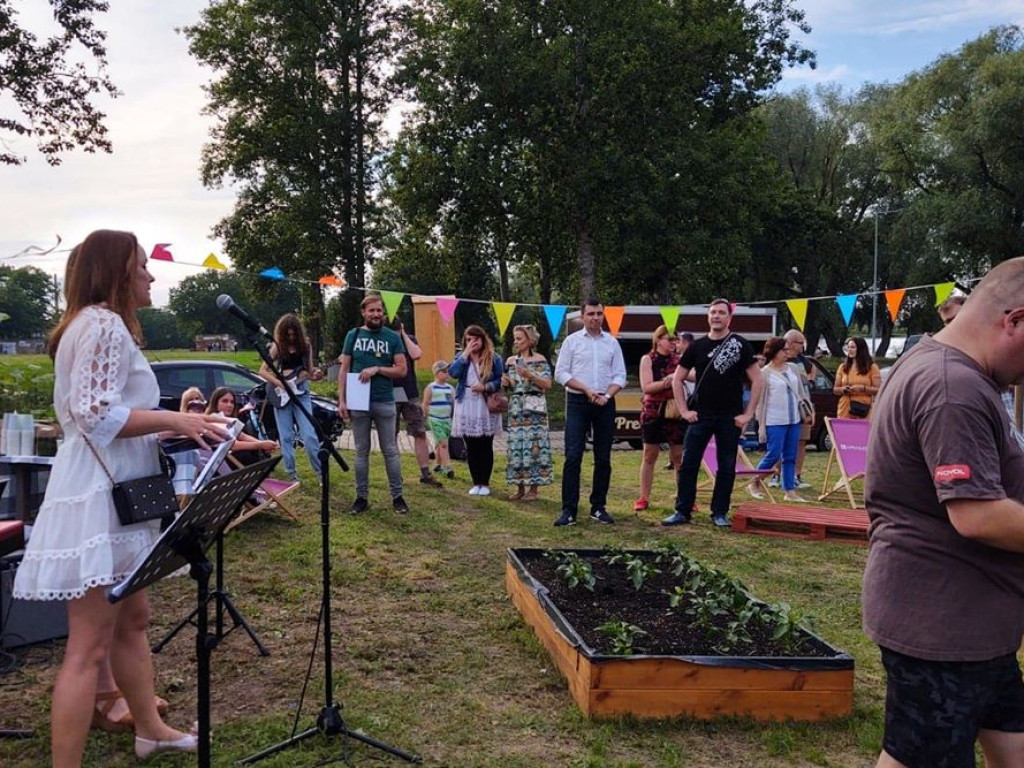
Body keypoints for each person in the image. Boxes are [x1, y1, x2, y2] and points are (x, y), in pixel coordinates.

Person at [12, 230, 231, 766]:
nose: (151, 276)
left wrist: (180, 426)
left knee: (133, 618)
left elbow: (106, 415)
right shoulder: (103, 324)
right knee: (87, 646)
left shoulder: (89, 326)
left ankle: (150, 729)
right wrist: (177, 417)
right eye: (141, 267)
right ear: (115, 273)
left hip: (114, 492)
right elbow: (95, 416)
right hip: (98, 498)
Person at [861, 257, 1024, 768]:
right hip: (944, 627)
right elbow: (976, 515)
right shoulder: (953, 388)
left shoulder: (937, 364)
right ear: (1015, 320)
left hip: (974, 624)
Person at [663, 298, 762, 528]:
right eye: (713, 312)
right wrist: (684, 410)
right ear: (708, 317)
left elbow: (758, 379)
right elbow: (677, 378)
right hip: (700, 415)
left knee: (726, 466)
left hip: (730, 416)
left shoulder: (740, 344)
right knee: (688, 464)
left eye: (721, 312)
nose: (716, 316)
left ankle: (719, 512)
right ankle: (682, 511)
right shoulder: (697, 346)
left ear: (729, 317)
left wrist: (748, 414)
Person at [553, 298, 627, 526]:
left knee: (603, 458)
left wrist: (607, 395)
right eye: (591, 314)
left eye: (599, 314)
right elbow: (561, 373)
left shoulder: (612, 343)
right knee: (573, 456)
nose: (596, 318)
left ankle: (598, 507)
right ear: (582, 317)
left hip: (605, 403)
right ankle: (569, 510)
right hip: (578, 402)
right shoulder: (572, 342)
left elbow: (620, 376)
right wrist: (586, 390)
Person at [338, 294, 409, 514]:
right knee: (361, 451)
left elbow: (402, 369)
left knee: (390, 450)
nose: (376, 314)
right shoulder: (353, 335)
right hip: (359, 401)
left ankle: (397, 497)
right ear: (364, 312)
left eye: (379, 311)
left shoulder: (392, 337)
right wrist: (342, 399)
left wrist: (378, 369)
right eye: (372, 311)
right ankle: (361, 498)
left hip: (385, 400)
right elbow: (344, 368)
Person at [258, 314, 323, 481]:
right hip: (282, 395)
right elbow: (262, 371)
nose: (292, 338)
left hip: (301, 391)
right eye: (288, 334)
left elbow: (309, 370)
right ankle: (291, 474)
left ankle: (320, 473)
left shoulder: (306, 345)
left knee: (309, 434)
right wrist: (280, 384)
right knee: (285, 436)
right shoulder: (277, 346)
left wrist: (316, 374)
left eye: (294, 334)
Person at [750, 337, 810, 503]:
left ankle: (789, 490)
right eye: (783, 350)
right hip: (775, 420)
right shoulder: (765, 373)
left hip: (794, 418)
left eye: (787, 349)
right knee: (773, 454)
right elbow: (760, 401)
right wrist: (760, 424)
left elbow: (801, 391)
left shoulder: (792, 368)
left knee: (790, 456)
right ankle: (754, 481)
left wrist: (807, 409)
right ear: (774, 352)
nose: (787, 352)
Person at [448, 325, 504, 496]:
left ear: (483, 339)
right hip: (466, 402)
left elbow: (501, 379)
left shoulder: (494, 358)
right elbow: (453, 373)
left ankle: (485, 482)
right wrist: (465, 355)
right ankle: (476, 482)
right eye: (469, 339)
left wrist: (486, 386)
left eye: (476, 339)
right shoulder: (461, 357)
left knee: (485, 445)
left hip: (485, 403)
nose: (473, 342)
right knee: (471, 445)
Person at [501, 324, 554, 501]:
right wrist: (506, 383)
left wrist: (530, 375)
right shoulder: (510, 361)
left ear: (530, 340)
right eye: (514, 338)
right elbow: (512, 386)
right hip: (517, 406)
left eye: (519, 338)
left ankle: (534, 489)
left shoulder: (540, 360)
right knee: (517, 445)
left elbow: (547, 384)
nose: (516, 342)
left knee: (534, 446)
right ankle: (520, 487)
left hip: (535, 405)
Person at [389, 316, 443, 488]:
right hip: (389, 393)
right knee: (391, 435)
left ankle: (425, 473)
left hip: (409, 393)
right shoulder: (383, 341)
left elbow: (417, 354)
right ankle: (395, 475)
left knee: (419, 432)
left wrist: (404, 334)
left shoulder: (409, 339)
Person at [636, 325, 685, 511]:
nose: (673, 343)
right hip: (653, 411)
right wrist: (668, 381)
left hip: (675, 411)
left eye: (675, 340)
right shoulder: (648, 359)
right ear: (658, 340)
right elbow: (646, 387)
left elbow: (693, 376)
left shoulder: (680, 360)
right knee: (650, 455)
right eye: (669, 339)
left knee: (679, 456)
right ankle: (643, 497)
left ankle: (684, 498)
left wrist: (680, 377)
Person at [205, 386, 278, 462]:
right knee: (246, 454)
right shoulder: (214, 419)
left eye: (232, 402)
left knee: (254, 450)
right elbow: (232, 445)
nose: (229, 405)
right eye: (225, 401)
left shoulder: (229, 420)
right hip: (216, 461)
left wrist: (264, 444)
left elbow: (243, 436)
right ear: (215, 403)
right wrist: (260, 445)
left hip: (227, 456)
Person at [422, 361, 455, 478]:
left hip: (447, 420)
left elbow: (453, 403)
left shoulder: (450, 388)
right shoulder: (431, 387)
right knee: (444, 443)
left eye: (448, 372)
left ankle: (438, 464)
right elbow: (425, 403)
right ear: (436, 373)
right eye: (444, 372)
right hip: (435, 419)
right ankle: (448, 467)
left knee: (439, 444)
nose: (447, 374)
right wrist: (423, 416)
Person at [834, 337, 881, 419]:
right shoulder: (843, 367)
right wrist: (844, 389)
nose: (849, 350)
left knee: (862, 431)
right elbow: (835, 389)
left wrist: (863, 388)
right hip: (845, 409)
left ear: (860, 349)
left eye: (852, 347)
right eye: (848, 347)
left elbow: (878, 390)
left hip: (863, 409)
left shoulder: (872, 367)